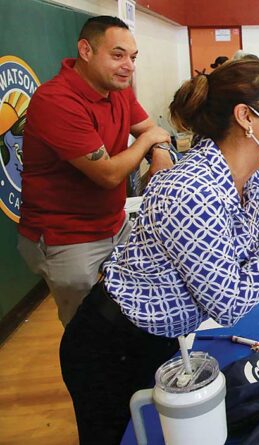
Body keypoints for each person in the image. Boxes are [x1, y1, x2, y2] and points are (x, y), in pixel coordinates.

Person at [59, 59, 259, 444]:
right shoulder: (191, 191)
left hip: (160, 338)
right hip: (115, 346)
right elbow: (228, 305)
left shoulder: (245, 176)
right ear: (246, 116)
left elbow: (242, 247)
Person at [17, 16, 173, 327]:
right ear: (85, 50)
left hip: (114, 223)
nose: (128, 66)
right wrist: (148, 141)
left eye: (132, 57)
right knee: (86, 332)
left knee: (137, 308)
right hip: (66, 236)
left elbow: (153, 130)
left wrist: (161, 151)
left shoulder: (118, 88)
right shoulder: (57, 100)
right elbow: (108, 175)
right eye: (117, 55)